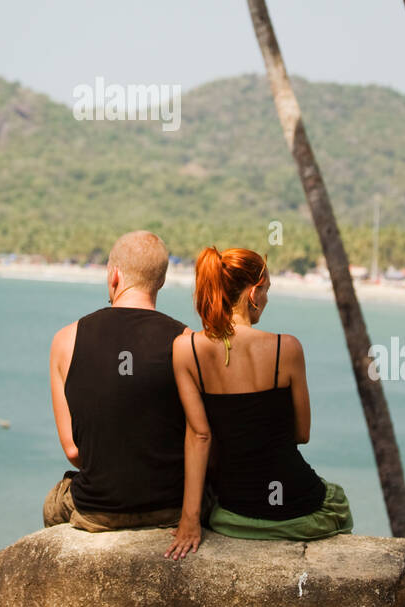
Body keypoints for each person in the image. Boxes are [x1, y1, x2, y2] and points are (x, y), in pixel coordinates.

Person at [165, 246, 353, 557]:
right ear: (254, 293)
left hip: (236, 516)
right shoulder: (287, 348)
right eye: (266, 291)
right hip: (301, 510)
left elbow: (200, 436)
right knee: (337, 501)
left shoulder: (186, 350)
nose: (266, 300)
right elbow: (302, 434)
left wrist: (190, 521)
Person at [44, 230, 208, 532]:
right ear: (160, 281)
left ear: (114, 275)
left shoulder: (66, 339)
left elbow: (73, 451)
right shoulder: (188, 341)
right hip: (170, 507)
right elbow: (201, 436)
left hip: (97, 510)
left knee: (53, 503)